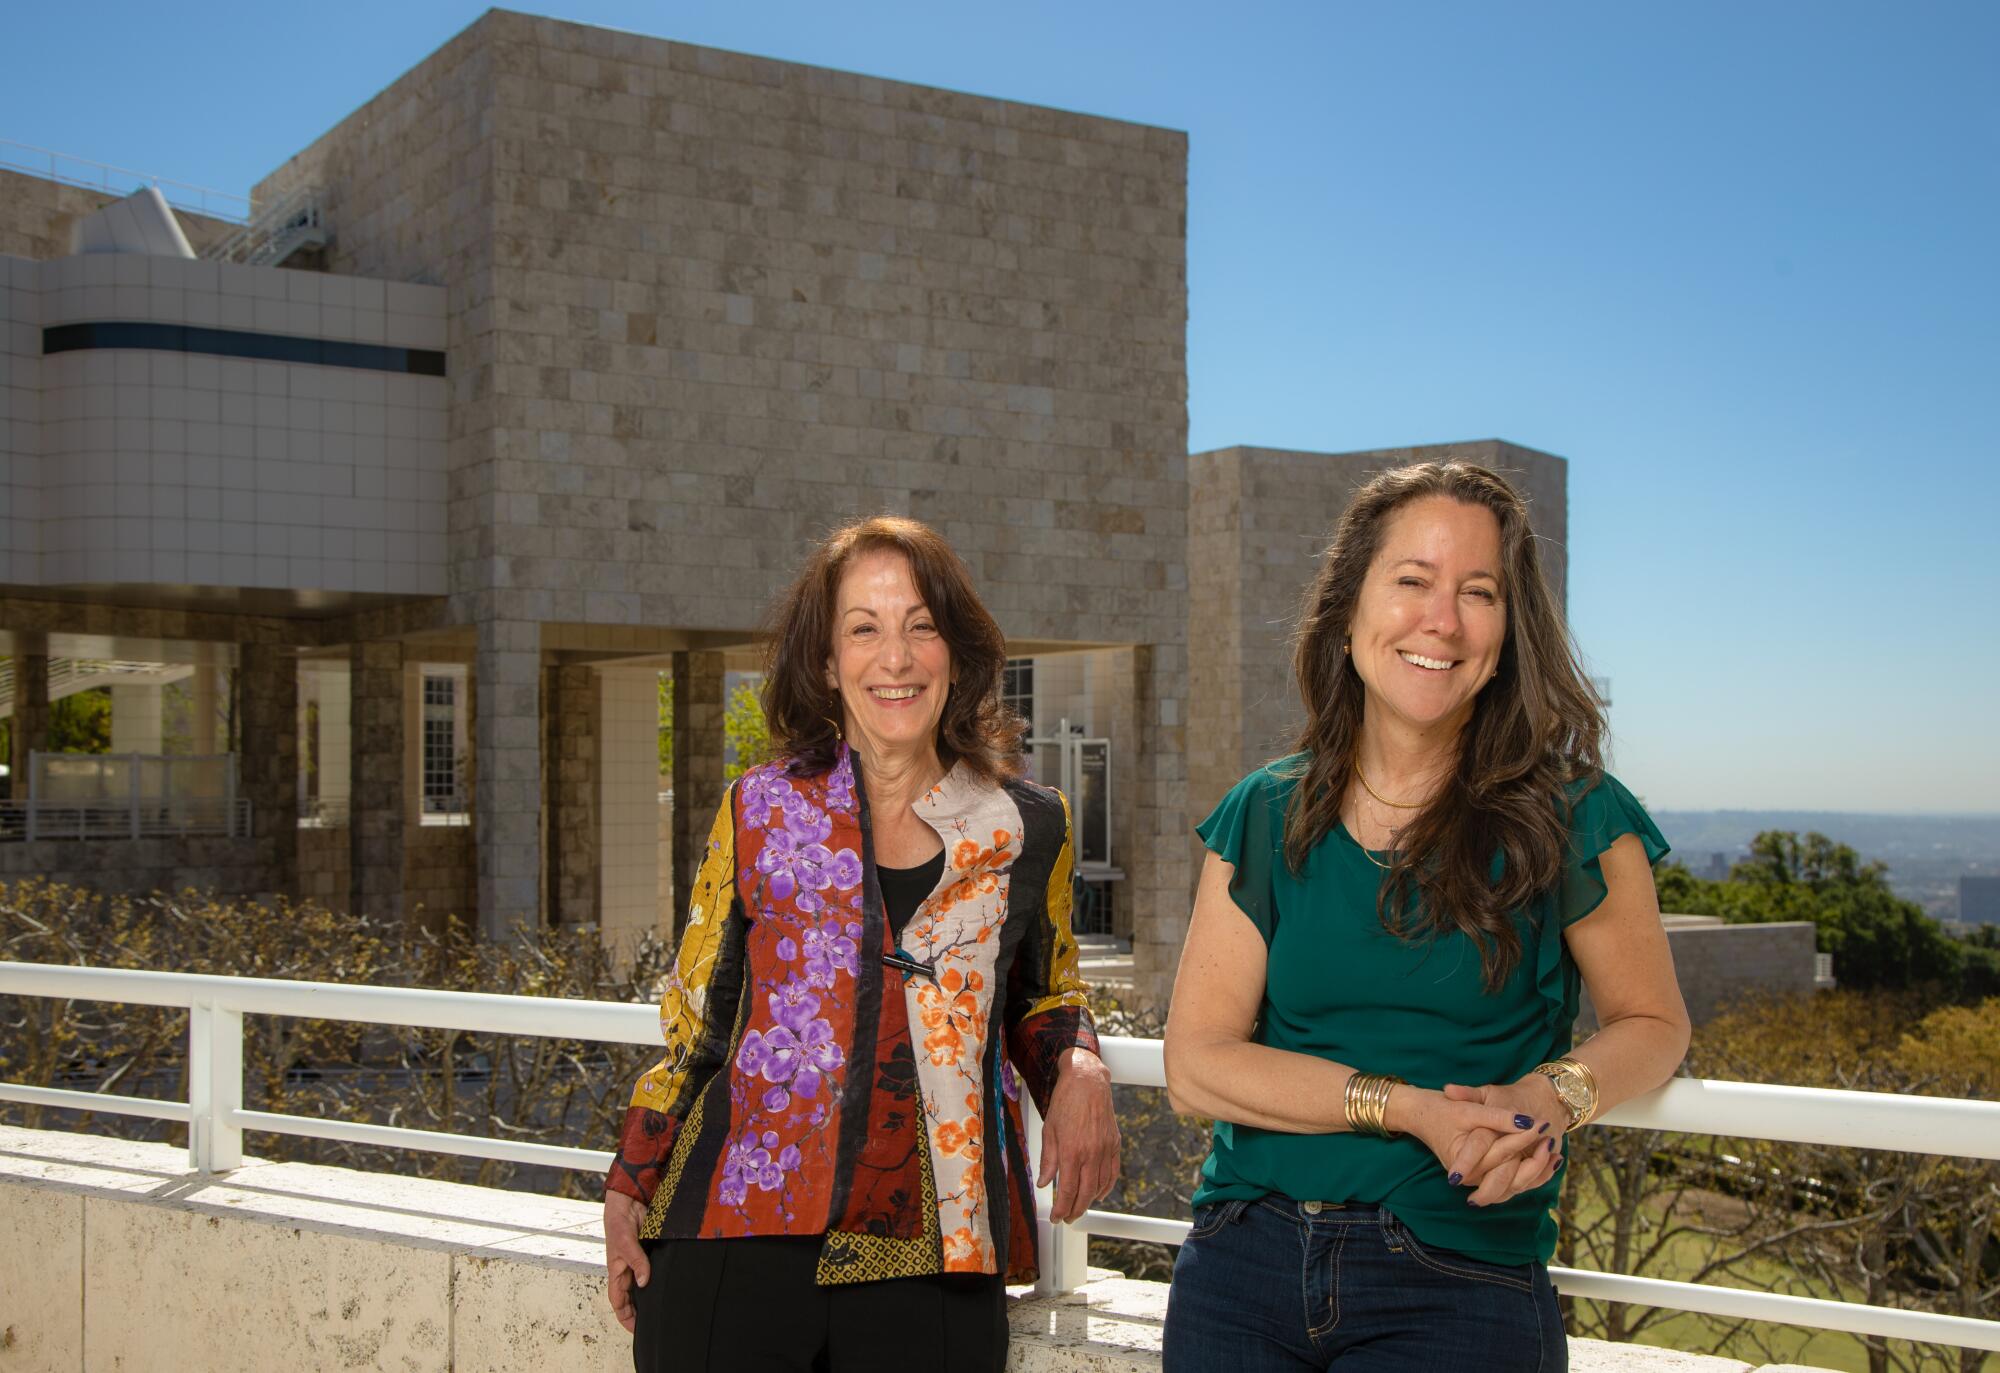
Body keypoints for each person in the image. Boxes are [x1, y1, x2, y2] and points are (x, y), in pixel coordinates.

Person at [1162, 462, 1691, 1373]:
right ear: (1349, 609)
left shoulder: (1575, 815)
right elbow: (1196, 1066)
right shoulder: (1264, 811)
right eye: (1412, 580)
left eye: (1477, 592)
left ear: (1507, 628)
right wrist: (1407, 1109)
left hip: (1457, 1275)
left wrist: (1547, 1099)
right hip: (1240, 1262)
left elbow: (1654, 1024)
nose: (1441, 620)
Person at [602, 515, 1120, 1372]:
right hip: (734, 1231)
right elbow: (698, 1027)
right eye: (865, 628)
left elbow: (1044, 993)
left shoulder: (1031, 825)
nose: (898, 657)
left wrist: (1082, 1065)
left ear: (956, 651)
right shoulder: (757, 810)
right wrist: (629, 1186)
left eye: (923, 626)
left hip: (937, 1250)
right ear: (826, 661)